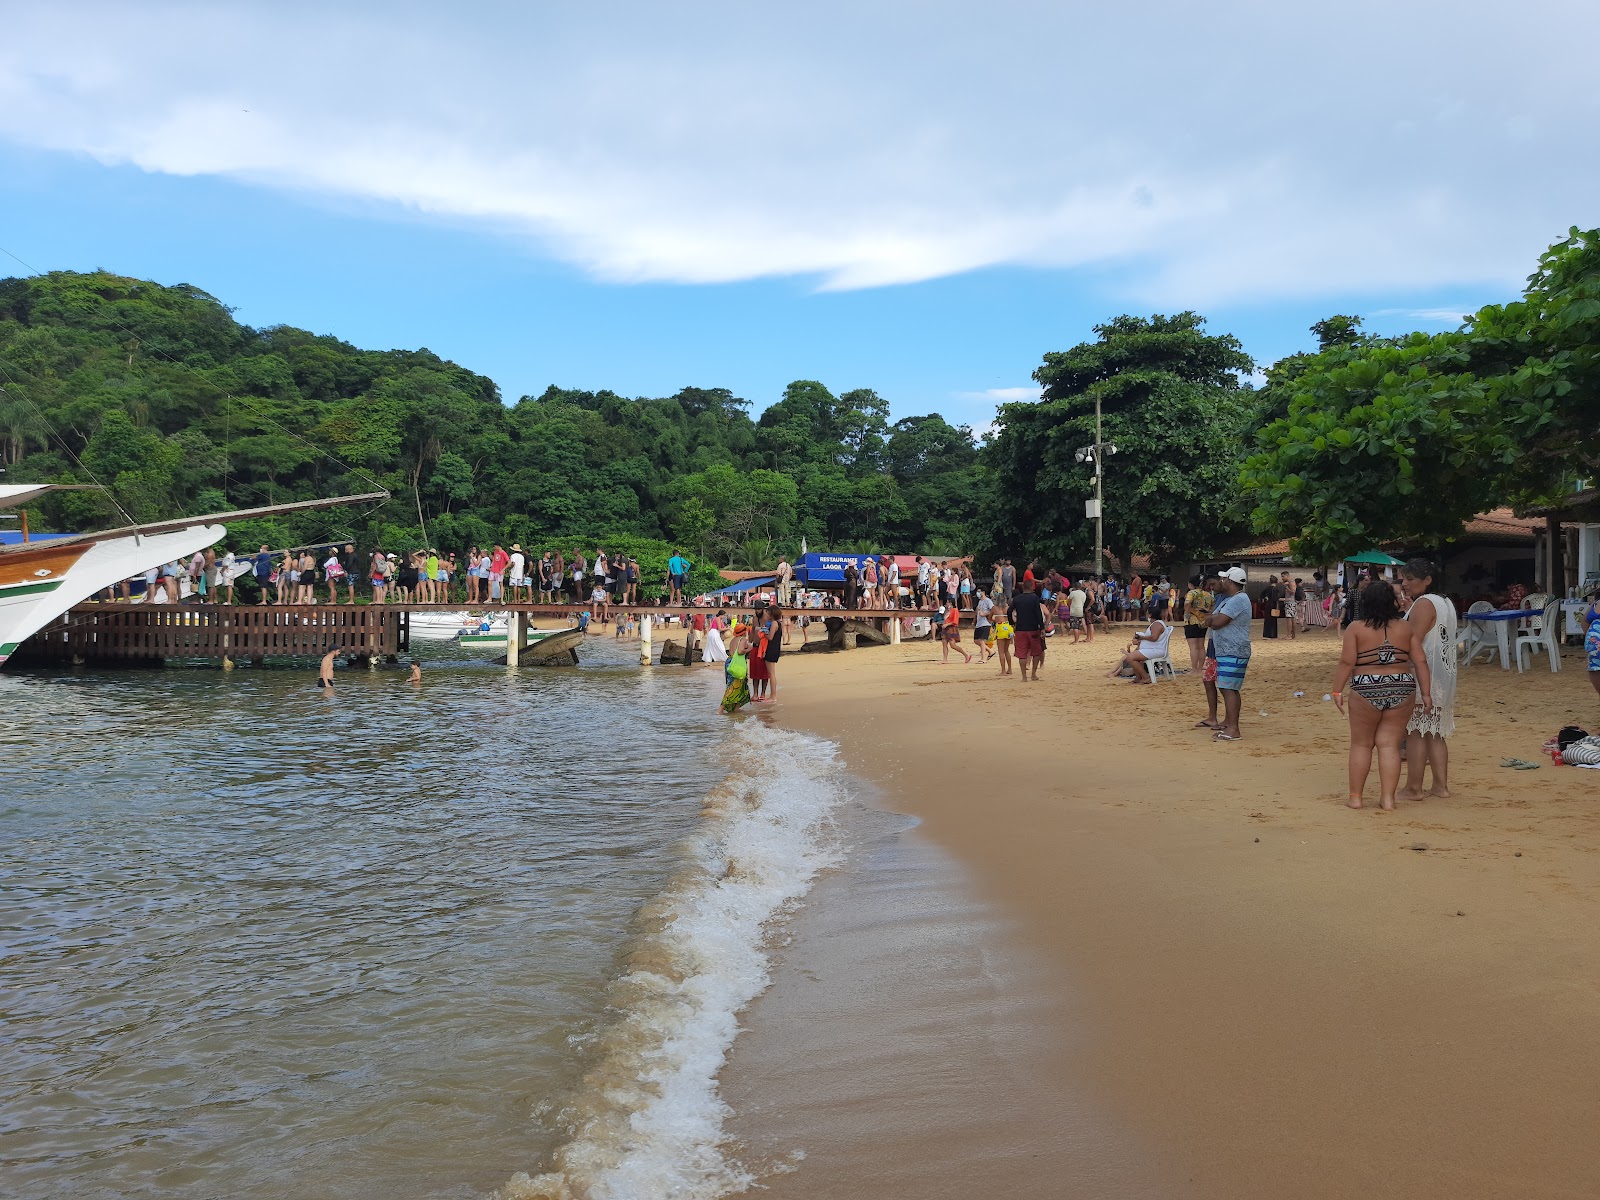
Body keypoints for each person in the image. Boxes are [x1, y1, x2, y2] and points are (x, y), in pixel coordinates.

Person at [1331, 580, 1433, 811]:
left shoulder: (1356, 628)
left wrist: (1337, 690)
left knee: (1361, 744)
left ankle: (1356, 798)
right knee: (1389, 745)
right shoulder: (1405, 628)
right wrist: (1426, 694)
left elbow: (1347, 662)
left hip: (1366, 686)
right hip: (1402, 685)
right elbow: (1420, 661)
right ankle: (1388, 799)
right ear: (1392, 602)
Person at [1397, 559, 1457, 802]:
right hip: (1443, 673)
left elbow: (1412, 641)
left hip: (1424, 675)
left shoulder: (1424, 604)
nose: (1404, 583)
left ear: (1427, 580)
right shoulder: (1445, 602)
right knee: (1435, 732)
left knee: (1416, 731)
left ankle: (1413, 788)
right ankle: (1440, 786)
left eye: (1410, 578)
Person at [1202, 567, 1253, 741]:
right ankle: (1230, 725)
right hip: (1228, 649)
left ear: (1230, 581)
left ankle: (1233, 729)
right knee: (1226, 687)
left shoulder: (1238, 600)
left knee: (1229, 688)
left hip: (1234, 649)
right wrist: (1211, 619)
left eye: (1224, 579)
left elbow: (1217, 622)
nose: (1221, 582)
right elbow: (1214, 620)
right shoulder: (1233, 599)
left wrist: (1210, 619)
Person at [1108, 597, 1172, 684]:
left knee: (1130, 658)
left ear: (1150, 615)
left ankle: (1145, 677)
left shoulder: (1157, 624)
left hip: (1156, 650)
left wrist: (1142, 638)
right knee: (1132, 657)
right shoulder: (1156, 624)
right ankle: (1138, 677)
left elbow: (1154, 638)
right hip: (1153, 649)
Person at [1007, 580, 1047, 681]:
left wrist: (1012, 623)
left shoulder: (1017, 599)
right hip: (1033, 628)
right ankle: (1033, 674)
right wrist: (1042, 627)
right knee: (1036, 652)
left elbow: (1009, 611)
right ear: (1032, 588)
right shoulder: (1034, 598)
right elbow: (1038, 613)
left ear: (1022, 588)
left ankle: (1024, 676)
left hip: (1020, 629)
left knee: (1022, 653)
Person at [1183, 574, 1213, 673]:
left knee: (1193, 647)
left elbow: (1187, 602)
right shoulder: (1208, 594)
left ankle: (1194, 669)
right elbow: (1212, 608)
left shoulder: (1192, 593)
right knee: (1201, 646)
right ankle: (1200, 668)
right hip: (1203, 622)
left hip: (1192, 621)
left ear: (1191, 584)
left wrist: (1187, 613)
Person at [721, 623, 752, 714]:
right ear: (743, 632)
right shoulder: (743, 639)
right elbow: (740, 651)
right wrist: (749, 649)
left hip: (729, 662)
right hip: (737, 664)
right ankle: (720, 709)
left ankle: (735, 708)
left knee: (737, 685)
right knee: (734, 686)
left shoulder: (733, 640)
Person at [973, 591, 996, 661]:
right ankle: (990, 651)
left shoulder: (988, 601)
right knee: (976, 640)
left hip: (985, 623)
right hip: (979, 623)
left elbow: (993, 610)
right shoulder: (980, 601)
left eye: (979, 591)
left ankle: (983, 658)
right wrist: (974, 621)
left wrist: (985, 614)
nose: (978, 593)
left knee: (982, 640)